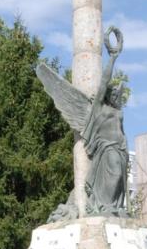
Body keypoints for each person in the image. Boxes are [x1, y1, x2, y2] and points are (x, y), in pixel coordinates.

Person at [35, 28, 128, 220]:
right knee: (115, 173)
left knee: (119, 178)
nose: (118, 95)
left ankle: (111, 207)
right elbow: (103, 82)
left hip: (120, 148)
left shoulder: (118, 111)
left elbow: (121, 130)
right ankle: (105, 205)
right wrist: (112, 58)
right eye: (115, 93)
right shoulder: (98, 109)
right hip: (106, 149)